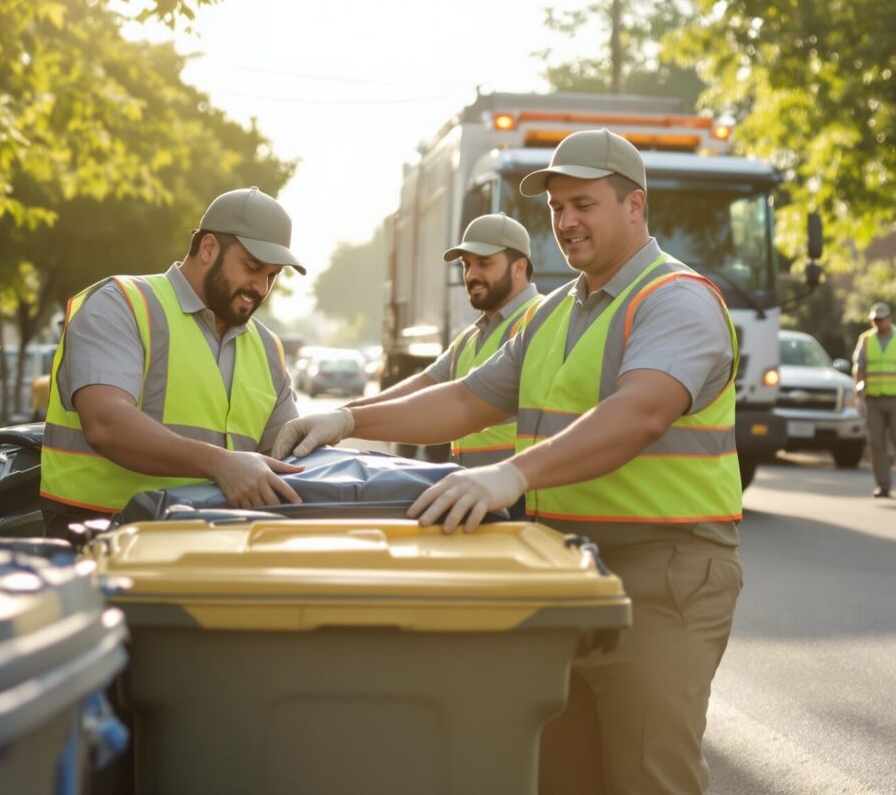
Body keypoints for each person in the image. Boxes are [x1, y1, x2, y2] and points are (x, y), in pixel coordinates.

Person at [276, 130, 742, 795]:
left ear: (636, 205)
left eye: (583, 203)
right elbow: (466, 399)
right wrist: (350, 420)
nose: (566, 221)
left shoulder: (677, 299)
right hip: (564, 568)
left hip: (662, 572)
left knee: (646, 776)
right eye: (556, 208)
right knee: (558, 775)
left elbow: (640, 413)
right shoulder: (555, 312)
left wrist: (512, 474)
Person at [38, 187, 307, 532]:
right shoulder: (122, 304)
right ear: (208, 248)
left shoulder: (268, 348)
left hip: (216, 547)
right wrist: (219, 464)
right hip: (101, 539)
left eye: (272, 275)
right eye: (252, 267)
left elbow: (289, 458)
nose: (260, 287)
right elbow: (106, 423)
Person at [348, 213, 539, 468]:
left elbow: (463, 401)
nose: (471, 275)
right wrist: (343, 416)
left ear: (519, 267)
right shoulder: (469, 338)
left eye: (484, 263)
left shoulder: (540, 322)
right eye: (466, 264)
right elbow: (420, 387)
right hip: (475, 494)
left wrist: (347, 422)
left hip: (521, 495)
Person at [852, 302, 896, 497]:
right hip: (873, 400)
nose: (877, 323)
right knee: (876, 444)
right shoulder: (865, 340)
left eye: (881, 320)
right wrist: (859, 397)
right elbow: (859, 369)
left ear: (890, 319)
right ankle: (883, 485)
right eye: (874, 320)